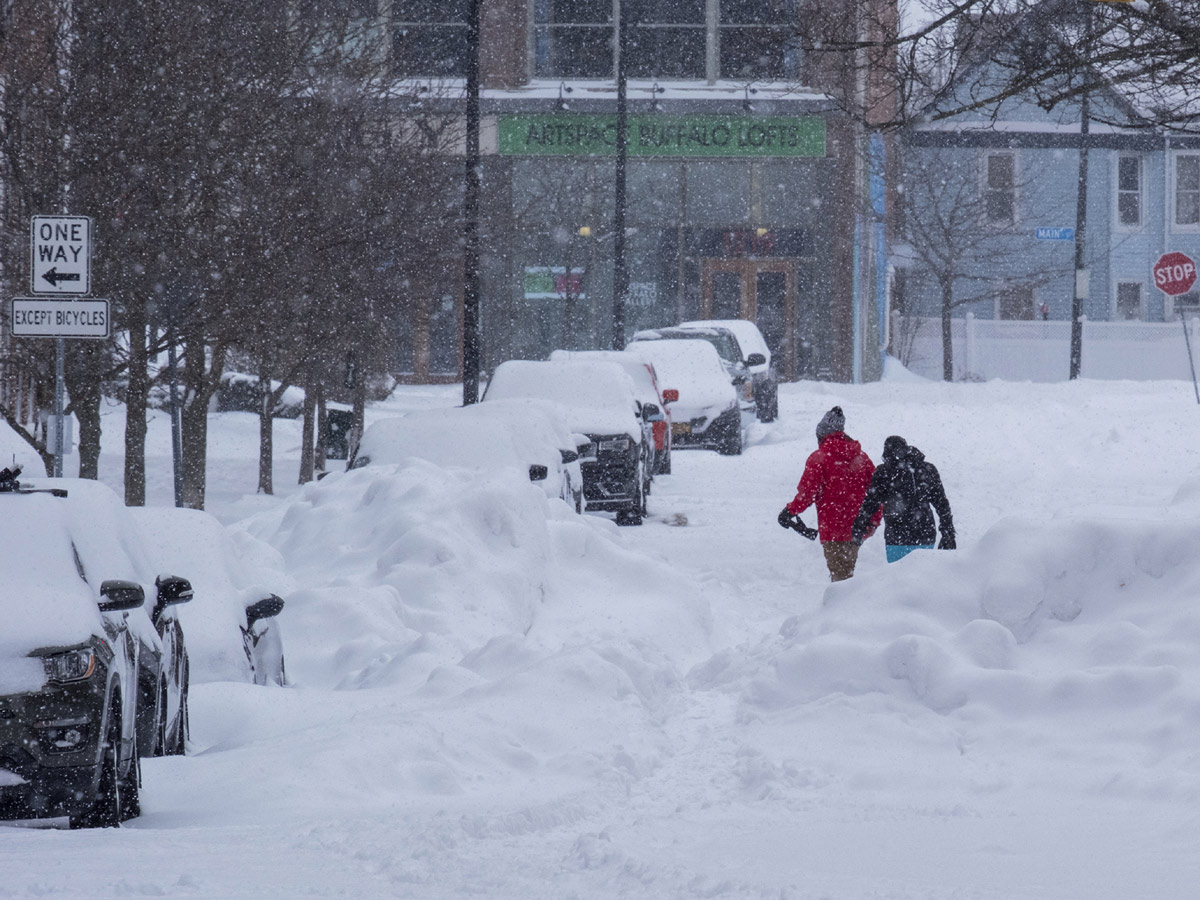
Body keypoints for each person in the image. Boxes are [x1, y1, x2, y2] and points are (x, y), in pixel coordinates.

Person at [778, 406, 880, 582]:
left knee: (841, 579)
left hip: (833, 528)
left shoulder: (820, 458)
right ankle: (849, 605)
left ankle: (843, 608)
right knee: (847, 573)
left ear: (822, 435)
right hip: (858, 527)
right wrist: (872, 522)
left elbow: (808, 493)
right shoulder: (861, 458)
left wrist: (790, 511)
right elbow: (877, 492)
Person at [851, 435, 955, 563]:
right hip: (925, 533)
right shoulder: (927, 469)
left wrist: (858, 526)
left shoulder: (884, 472)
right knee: (924, 576)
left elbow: (871, 503)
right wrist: (948, 531)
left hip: (896, 536)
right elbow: (942, 504)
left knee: (898, 578)